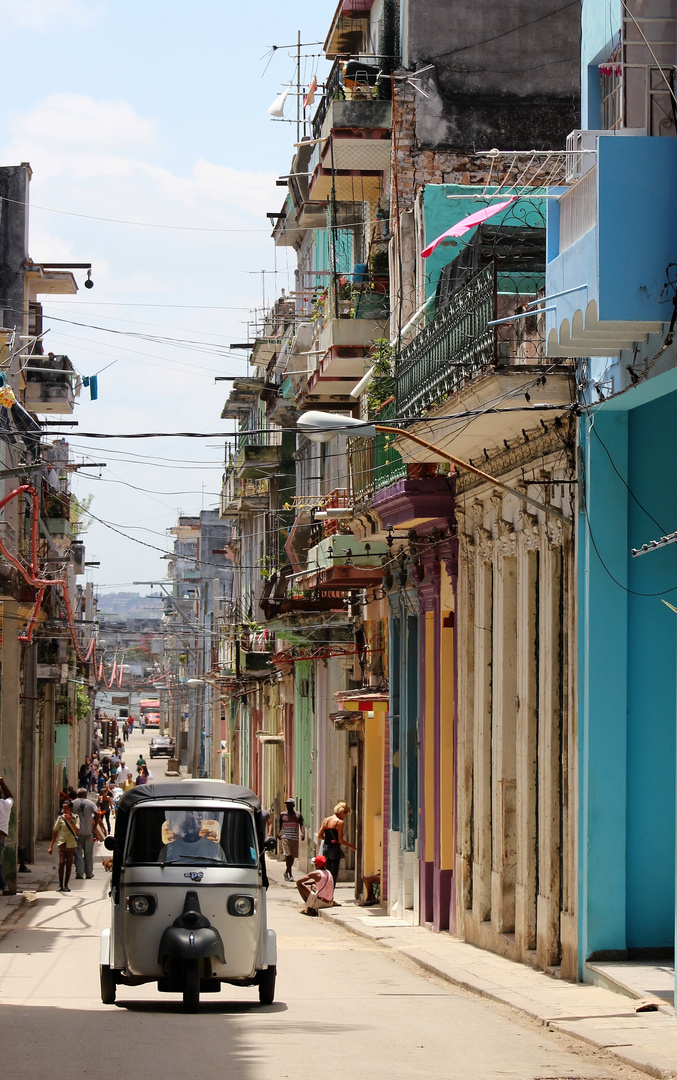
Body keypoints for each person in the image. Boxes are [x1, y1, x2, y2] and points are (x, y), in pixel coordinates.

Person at [317, 802, 356, 885]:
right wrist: (351, 846)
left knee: (326, 873)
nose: (345, 816)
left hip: (326, 849)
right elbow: (340, 840)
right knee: (333, 875)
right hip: (334, 849)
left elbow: (319, 835)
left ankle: (325, 893)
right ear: (342, 813)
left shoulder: (326, 820)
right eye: (345, 814)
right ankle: (331, 894)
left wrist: (327, 839)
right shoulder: (339, 823)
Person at [48, 799, 80, 892]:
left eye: (66, 808)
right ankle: (60, 885)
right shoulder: (60, 818)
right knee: (61, 863)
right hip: (62, 843)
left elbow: (77, 830)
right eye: (63, 808)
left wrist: (70, 821)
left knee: (69, 864)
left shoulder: (75, 818)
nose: (64, 810)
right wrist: (51, 846)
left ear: (70, 808)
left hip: (71, 844)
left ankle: (66, 885)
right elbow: (55, 831)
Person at [72, 788, 99, 879]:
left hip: (76, 832)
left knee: (78, 853)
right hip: (88, 832)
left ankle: (79, 873)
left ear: (77, 795)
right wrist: (95, 827)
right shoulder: (90, 803)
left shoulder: (73, 803)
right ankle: (88, 873)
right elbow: (98, 813)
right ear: (86, 795)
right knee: (88, 853)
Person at [278, 797, 305, 882]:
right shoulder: (282, 814)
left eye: (290, 805)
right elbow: (280, 824)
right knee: (288, 855)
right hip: (285, 837)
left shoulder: (298, 815)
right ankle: (290, 875)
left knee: (292, 857)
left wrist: (303, 833)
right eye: (287, 805)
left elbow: (301, 824)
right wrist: (278, 832)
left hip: (294, 838)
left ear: (293, 806)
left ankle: (286, 872)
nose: (288, 806)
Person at [0, 775, 14, 895]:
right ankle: (3, 885)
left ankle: (3, 885)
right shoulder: (5, 805)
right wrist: (2, 783)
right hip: (1, 836)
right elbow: (10, 796)